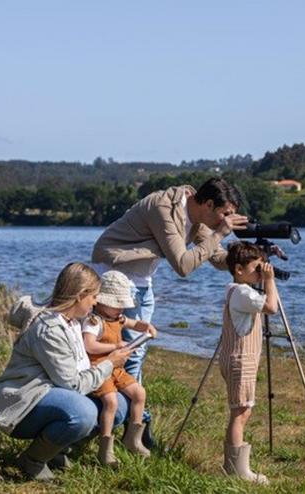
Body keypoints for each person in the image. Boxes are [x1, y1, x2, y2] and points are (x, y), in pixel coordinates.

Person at [91, 177, 248, 446]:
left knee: (135, 354)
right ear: (209, 204)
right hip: (116, 279)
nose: (227, 220)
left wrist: (246, 254)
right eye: (225, 213)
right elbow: (184, 266)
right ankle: (134, 427)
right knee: (130, 355)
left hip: (142, 283)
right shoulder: (164, 208)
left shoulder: (200, 217)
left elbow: (217, 258)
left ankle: (130, 425)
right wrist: (220, 234)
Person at [0, 262, 134, 481]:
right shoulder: (49, 329)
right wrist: (110, 364)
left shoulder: (76, 319)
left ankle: (57, 451)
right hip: (25, 402)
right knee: (83, 411)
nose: (97, 302)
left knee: (120, 406)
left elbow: (110, 323)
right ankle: (32, 460)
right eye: (94, 296)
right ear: (79, 296)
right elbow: (73, 385)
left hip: (53, 395)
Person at [81, 270, 158, 465]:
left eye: (122, 305)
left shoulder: (118, 318)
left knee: (139, 393)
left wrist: (145, 327)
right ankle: (105, 447)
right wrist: (116, 346)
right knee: (112, 403)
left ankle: (133, 438)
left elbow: (133, 323)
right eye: (116, 305)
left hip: (117, 369)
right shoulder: (94, 321)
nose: (120, 309)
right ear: (100, 301)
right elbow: (89, 345)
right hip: (100, 368)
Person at [218, 241, 278, 484]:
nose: (260, 273)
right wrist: (270, 282)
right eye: (256, 268)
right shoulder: (242, 292)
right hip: (240, 360)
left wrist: (264, 280)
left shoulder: (239, 290)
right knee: (240, 412)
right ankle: (236, 469)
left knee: (244, 410)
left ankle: (235, 464)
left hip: (241, 358)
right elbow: (272, 307)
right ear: (239, 270)